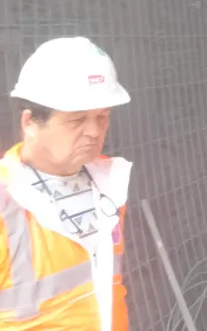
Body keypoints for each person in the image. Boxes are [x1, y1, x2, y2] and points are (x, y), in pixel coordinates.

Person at [0, 36, 133, 330]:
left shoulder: (108, 188)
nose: (94, 132)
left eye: (103, 117)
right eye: (76, 121)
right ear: (30, 123)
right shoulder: (6, 206)